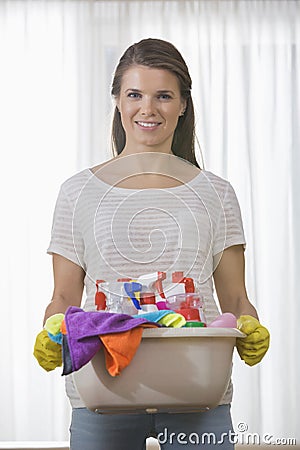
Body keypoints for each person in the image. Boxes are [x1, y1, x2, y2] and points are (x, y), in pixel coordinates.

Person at [34, 38, 270, 450]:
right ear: (117, 102)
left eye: (164, 95)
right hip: (103, 389)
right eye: (134, 95)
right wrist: (53, 329)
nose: (148, 108)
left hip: (198, 390)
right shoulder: (78, 192)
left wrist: (248, 324)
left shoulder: (216, 193)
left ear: (182, 105)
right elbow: (64, 295)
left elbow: (234, 295)